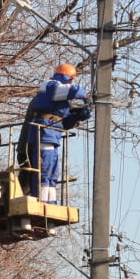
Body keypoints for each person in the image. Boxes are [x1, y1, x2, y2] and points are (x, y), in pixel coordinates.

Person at [19, 62, 91, 203]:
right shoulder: (50, 85)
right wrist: (86, 96)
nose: (71, 82)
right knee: (43, 168)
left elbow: (63, 123)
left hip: (52, 133)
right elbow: (74, 91)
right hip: (44, 132)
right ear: (63, 77)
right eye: (70, 79)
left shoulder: (58, 99)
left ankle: (50, 201)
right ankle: (41, 200)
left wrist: (78, 115)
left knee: (52, 171)